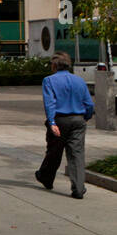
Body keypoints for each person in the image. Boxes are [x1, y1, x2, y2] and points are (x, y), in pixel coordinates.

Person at [35, 52, 95, 199]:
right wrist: (85, 117)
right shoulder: (79, 81)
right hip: (78, 120)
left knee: (54, 151)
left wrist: (52, 122)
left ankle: (46, 177)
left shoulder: (49, 80)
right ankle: (78, 188)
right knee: (77, 154)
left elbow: (50, 103)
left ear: (54, 65)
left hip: (60, 120)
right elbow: (89, 104)